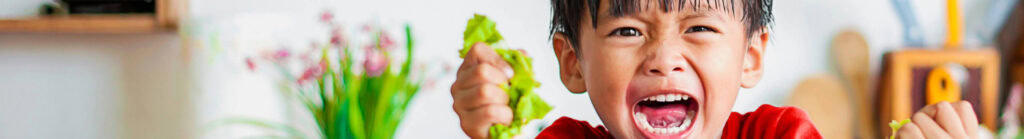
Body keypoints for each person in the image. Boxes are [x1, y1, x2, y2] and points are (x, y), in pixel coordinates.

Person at [451, 0, 979, 138]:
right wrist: (491, 127)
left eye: (699, 28)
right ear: (573, 63)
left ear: (750, 55)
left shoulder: (781, 135)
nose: (663, 58)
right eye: (627, 31)